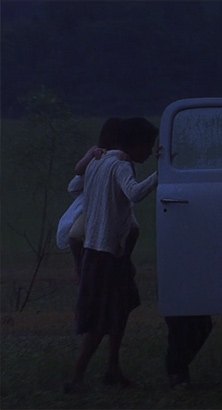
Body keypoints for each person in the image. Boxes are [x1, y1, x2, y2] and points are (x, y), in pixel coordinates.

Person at [65, 117, 159, 392]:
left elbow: (75, 185)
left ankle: (111, 369)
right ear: (135, 145)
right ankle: (76, 376)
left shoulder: (97, 162)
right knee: (106, 317)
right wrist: (160, 175)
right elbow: (134, 193)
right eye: (148, 147)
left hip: (98, 249)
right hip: (109, 253)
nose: (149, 153)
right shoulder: (119, 165)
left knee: (118, 310)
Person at [56, 118, 123, 281]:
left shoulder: (121, 156)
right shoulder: (97, 151)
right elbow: (78, 170)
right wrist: (91, 156)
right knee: (74, 236)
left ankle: (121, 264)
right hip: (91, 201)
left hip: (111, 201)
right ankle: (79, 267)